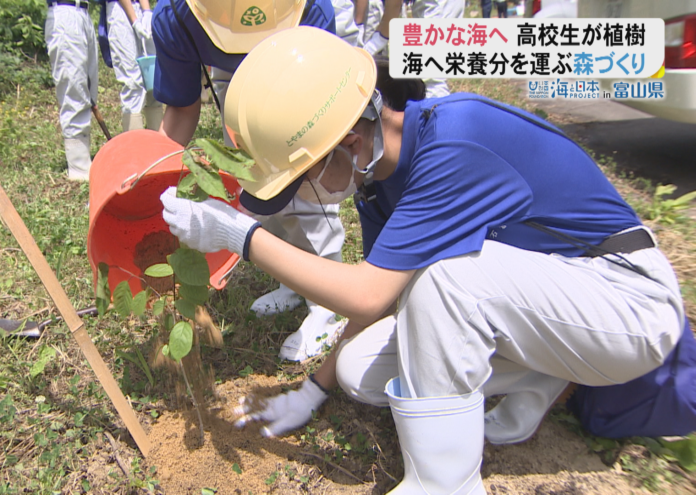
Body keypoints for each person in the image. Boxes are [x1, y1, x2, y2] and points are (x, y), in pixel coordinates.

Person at [159, 27, 685, 493]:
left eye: (303, 180)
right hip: (554, 303)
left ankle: (444, 482)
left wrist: (241, 235)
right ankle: (540, 378)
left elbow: (367, 291)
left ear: (347, 143)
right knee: (358, 371)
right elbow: (375, 303)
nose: (305, 195)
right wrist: (313, 390)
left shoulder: (458, 144)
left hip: (627, 303)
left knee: (445, 280)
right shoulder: (376, 180)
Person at [151, 0, 349, 362]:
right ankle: (291, 278)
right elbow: (181, 108)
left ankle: (325, 303)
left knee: (304, 174)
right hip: (233, 78)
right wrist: (153, 174)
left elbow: (322, 110)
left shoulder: (311, 8)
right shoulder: (177, 14)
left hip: (300, 68)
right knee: (253, 179)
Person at [45, 0, 100, 181]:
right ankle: (79, 169)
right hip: (64, 11)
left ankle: (84, 159)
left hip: (83, 12)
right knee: (74, 88)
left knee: (89, 91)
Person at [98, 0, 165, 132]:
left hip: (141, 7)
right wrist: (134, 20)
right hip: (120, 10)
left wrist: (146, 11)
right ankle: (135, 148)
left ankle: (158, 146)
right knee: (133, 83)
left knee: (154, 81)